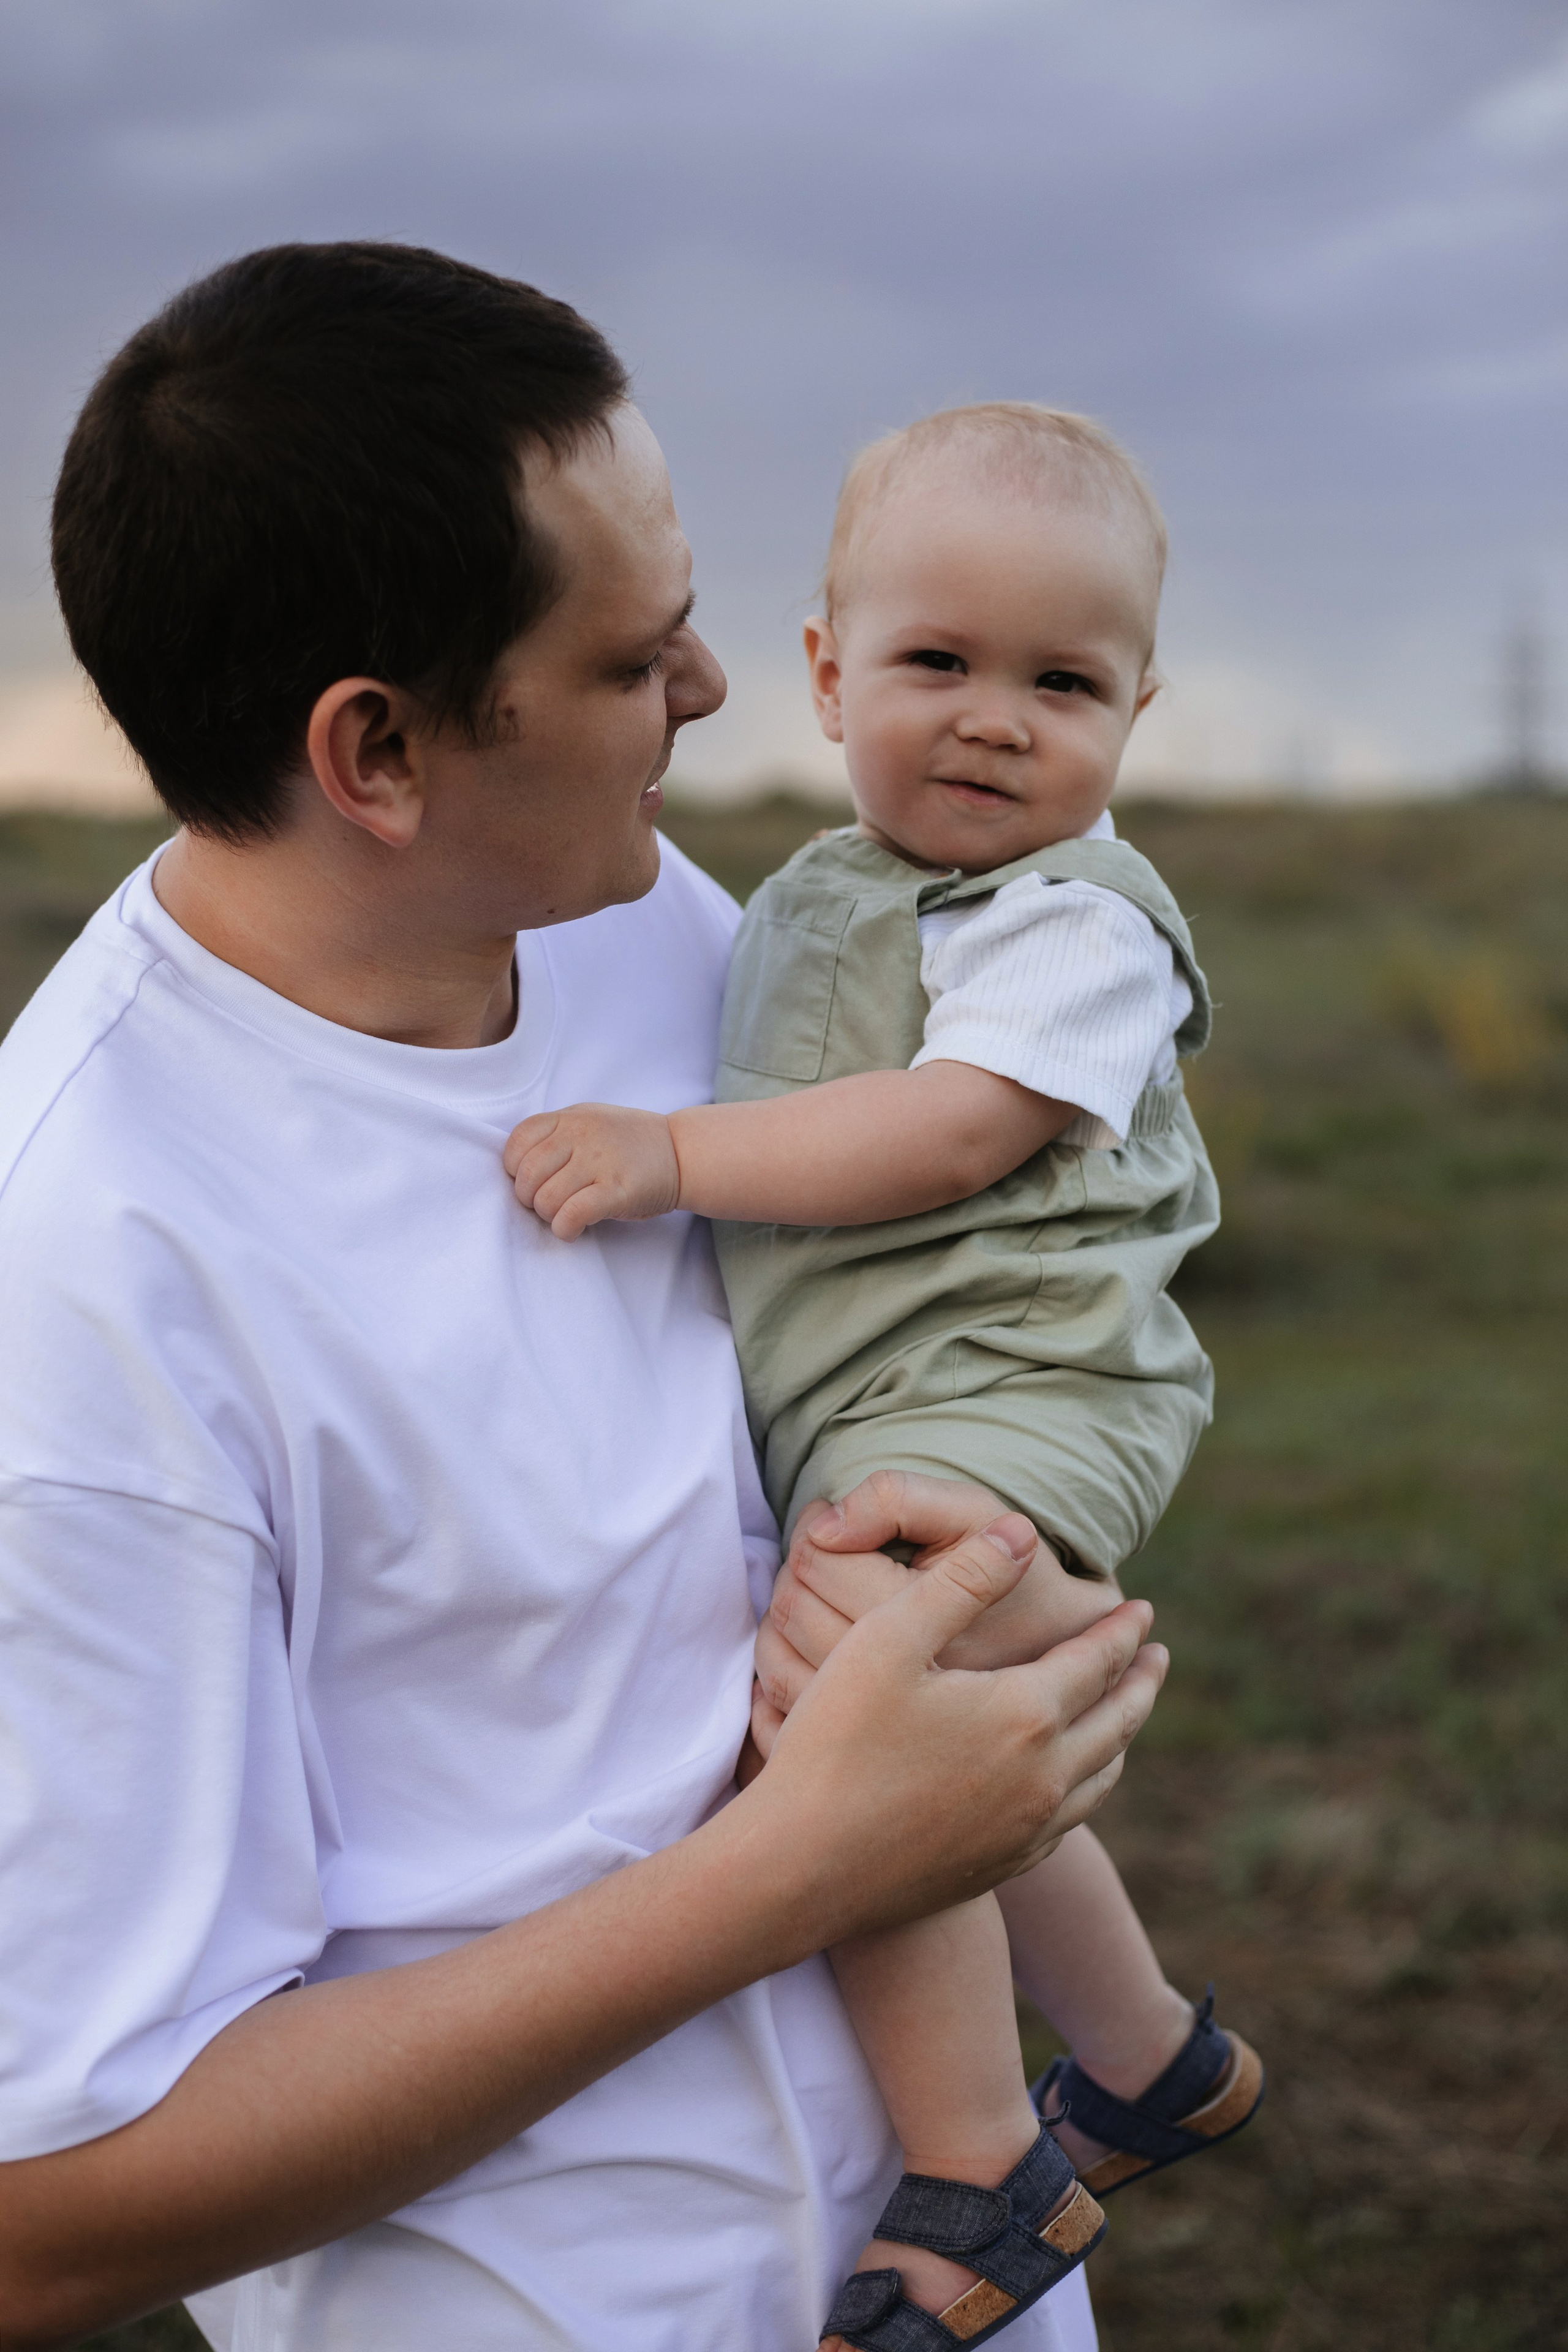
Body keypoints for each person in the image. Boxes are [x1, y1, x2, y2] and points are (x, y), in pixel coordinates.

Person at [0, 247, 1169, 2352]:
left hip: (971, 2273)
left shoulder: (643, 926)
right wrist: (796, 1870)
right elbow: (50, 2217)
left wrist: (1010, 1583)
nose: (717, 691)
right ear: (378, 752)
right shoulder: (87, 1286)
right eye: (637, 658)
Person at [505, 405, 1262, 2346]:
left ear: (1134, 715)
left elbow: (941, 1136)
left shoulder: (1072, 928)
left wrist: (671, 1162)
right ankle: (1151, 2056)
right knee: (943, 1730)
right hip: (901, 1392)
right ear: (832, 671)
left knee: (845, 1726)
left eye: (1063, 683)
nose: (1000, 718)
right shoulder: (808, 901)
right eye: (941, 662)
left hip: (1022, 1374)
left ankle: (975, 2160)